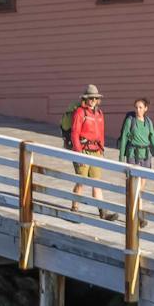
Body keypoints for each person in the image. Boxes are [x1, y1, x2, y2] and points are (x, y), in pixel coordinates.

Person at [68, 83, 109, 214]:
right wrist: (78, 153)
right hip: (83, 150)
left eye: (95, 98)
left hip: (96, 151)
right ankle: (75, 207)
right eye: (91, 98)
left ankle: (103, 212)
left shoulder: (99, 114)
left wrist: (101, 149)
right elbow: (74, 133)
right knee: (81, 181)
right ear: (85, 99)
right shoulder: (80, 112)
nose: (93, 101)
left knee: (97, 183)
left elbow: (101, 133)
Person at [117, 97, 154, 169]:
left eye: (140, 107)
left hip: (146, 156)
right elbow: (124, 140)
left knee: (143, 179)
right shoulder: (130, 121)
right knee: (132, 179)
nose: (138, 110)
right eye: (136, 107)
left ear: (145, 108)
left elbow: (153, 140)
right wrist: (121, 158)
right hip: (132, 155)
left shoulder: (148, 122)